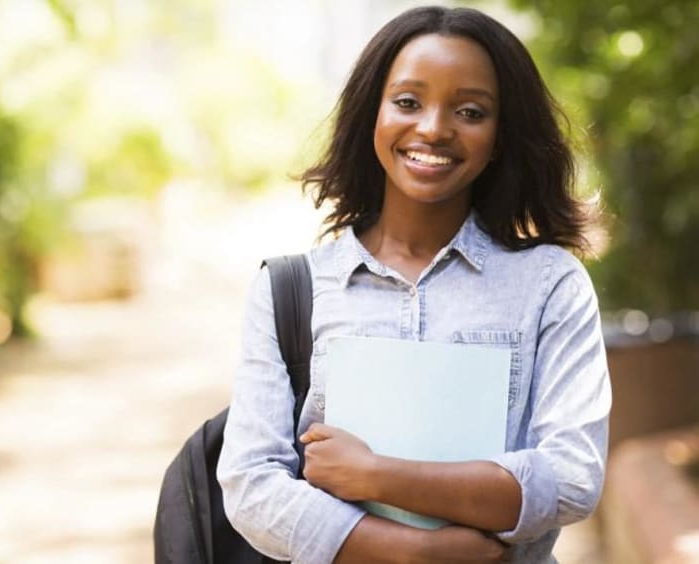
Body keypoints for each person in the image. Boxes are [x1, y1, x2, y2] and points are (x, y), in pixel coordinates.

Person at [217, 5, 611, 563]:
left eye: (471, 111)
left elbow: (572, 478)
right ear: (371, 114)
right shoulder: (290, 290)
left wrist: (378, 475)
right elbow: (250, 484)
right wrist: (414, 553)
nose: (432, 128)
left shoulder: (550, 286)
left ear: (500, 134)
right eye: (407, 102)